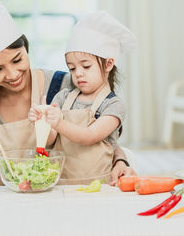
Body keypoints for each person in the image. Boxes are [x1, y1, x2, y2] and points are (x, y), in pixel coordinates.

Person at [0, 0, 135, 185]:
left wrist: (121, 160)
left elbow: (102, 138)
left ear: (26, 48)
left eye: (17, 60)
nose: (13, 74)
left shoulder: (65, 87)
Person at [29, 11, 137, 185]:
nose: (78, 73)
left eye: (86, 66)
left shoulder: (114, 105)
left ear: (109, 64)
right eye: (72, 68)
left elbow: (90, 136)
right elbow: (50, 140)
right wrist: (43, 123)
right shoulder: (63, 97)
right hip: (60, 184)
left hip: (97, 187)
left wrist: (58, 122)